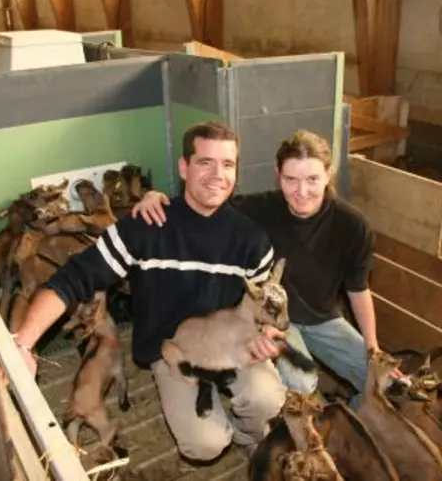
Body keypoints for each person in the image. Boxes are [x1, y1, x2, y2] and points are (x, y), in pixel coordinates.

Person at [12, 121, 287, 461]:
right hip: (172, 348)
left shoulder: (251, 240)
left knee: (268, 399)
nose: (218, 174)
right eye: (205, 162)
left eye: (228, 164)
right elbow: (74, 278)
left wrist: (266, 332)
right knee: (205, 445)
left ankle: (245, 436)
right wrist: (23, 343)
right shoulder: (147, 226)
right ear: (184, 168)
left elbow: (266, 309)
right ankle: (217, 428)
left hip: (231, 340)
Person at [132, 129, 395, 408]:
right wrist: (156, 197)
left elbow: (358, 289)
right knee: (302, 381)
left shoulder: (353, 226)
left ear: (329, 173)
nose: (301, 191)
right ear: (277, 175)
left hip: (324, 318)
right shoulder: (258, 209)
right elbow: (201, 204)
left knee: (385, 380)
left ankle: (351, 424)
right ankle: (286, 420)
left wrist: (372, 348)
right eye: (290, 179)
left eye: (312, 179)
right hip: (272, 319)